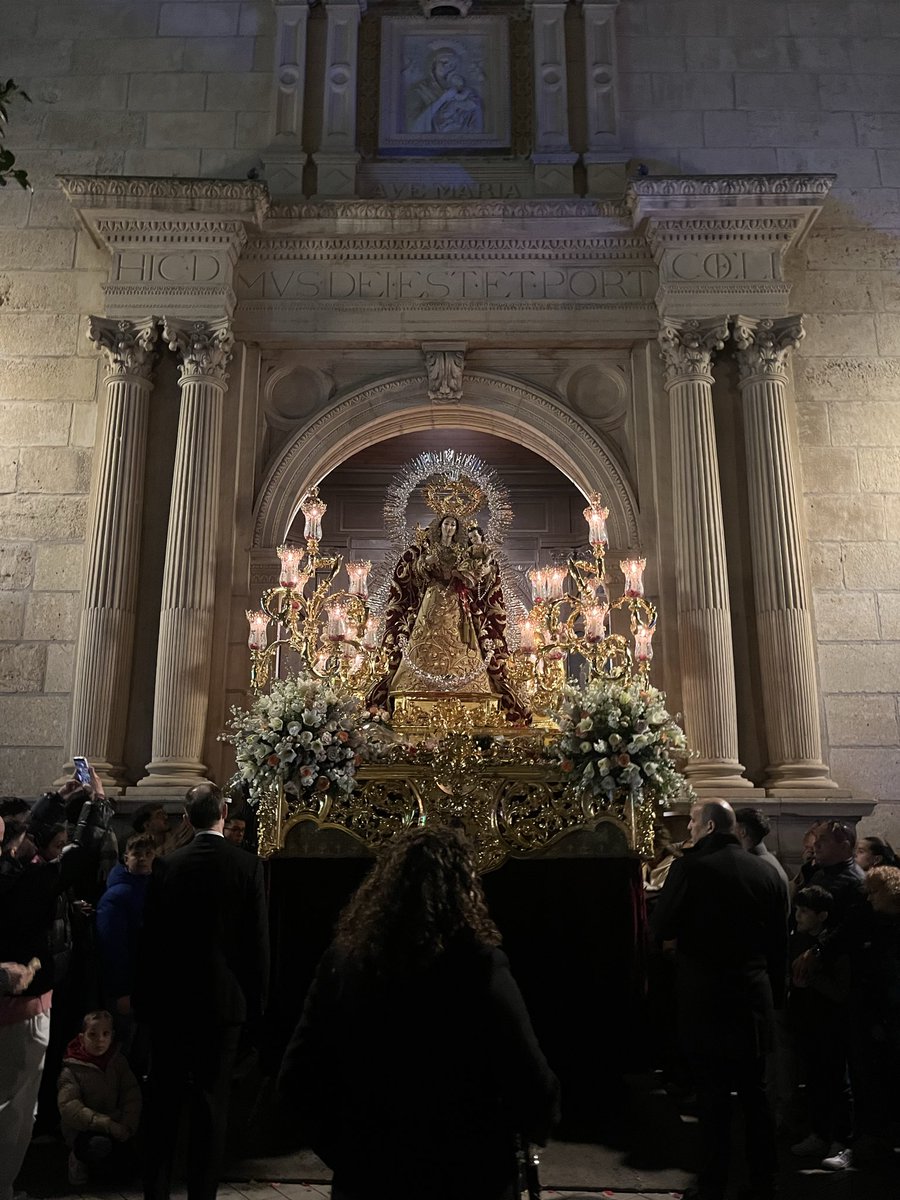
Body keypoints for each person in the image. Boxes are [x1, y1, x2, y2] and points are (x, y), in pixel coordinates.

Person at [278, 825, 559, 1200]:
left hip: (371, 1177)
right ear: (465, 890)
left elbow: (297, 1081)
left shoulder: (345, 963)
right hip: (467, 1177)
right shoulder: (480, 967)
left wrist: (347, 1153)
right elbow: (533, 1083)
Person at [134, 783, 269, 1200]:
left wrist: (145, 1003)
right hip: (223, 1004)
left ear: (187, 818)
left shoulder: (169, 865)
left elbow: (151, 942)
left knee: (165, 1104)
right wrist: (256, 1008)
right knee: (212, 1107)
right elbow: (257, 946)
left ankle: (155, 1191)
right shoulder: (248, 866)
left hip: (172, 1004)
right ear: (223, 814)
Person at [651, 799, 788, 1200]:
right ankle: (765, 1180)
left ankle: (712, 1183)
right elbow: (779, 943)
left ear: (710, 827)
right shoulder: (765, 871)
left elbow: (663, 926)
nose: (689, 829)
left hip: (706, 996)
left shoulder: (690, 869)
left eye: (693, 822)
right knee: (754, 1093)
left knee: (712, 1096)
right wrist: (774, 998)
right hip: (753, 996)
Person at [0, 775, 113, 1200]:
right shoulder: (23, 881)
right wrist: (98, 804)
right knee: (14, 1109)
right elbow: (79, 857)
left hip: (20, 1005)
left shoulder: (13, 869)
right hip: (21, 1011)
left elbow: (26, 841)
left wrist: (54, 800)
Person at [367, 512, 529, 722]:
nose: (450, 528)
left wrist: (477, 569)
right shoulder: (427, 549)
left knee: (464, 640)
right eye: (446, 524)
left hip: (457, 601)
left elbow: (478, 575)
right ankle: (412, 688)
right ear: (439, 527)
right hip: (431, 599)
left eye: (453, 525)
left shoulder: (463, 551)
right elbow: (415, 574)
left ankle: (471, 689)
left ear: (458, 529)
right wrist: (426, 563)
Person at [787, 886, 851, 1162]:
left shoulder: (833, 949)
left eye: (804, 912)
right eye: (797, 910)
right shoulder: (798, 941)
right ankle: (819, 1134)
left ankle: (841, 1141)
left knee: (834, 1081)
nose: (798, 916)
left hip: (831, 1024)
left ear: (822, 915)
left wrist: (811, 980)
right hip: (808, 1021)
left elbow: (840, 991)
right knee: (814, 1080)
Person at [57, 1009, 141, 1186]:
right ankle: (78, 1159)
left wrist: (128, 1124)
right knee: (98, 1148)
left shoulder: (118, 1063)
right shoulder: (72, 1069)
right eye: (93, 1034)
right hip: (86, 1129)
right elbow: (69, 1106)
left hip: (116, 1125)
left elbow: (131, 1094)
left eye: (105, 1034)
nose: (100, 1040)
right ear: (82, 1038)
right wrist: (106, 1124)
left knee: (129, 1167)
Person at [95, 833, 155, 1054]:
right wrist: (121, 991)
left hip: (144, 982)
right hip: (127, 988)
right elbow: (113, 947)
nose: (142, 859)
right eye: (136, 854)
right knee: (123, 1047)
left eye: (148, 854)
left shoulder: (150, 887)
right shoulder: (116, 897)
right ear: (125, 857)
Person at [405, 46, 484, 135]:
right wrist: (443, 98)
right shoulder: (420, 90)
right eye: (444, 62)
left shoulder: (467, 92)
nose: (447, 67)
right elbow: (413, 126)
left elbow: (477, 125)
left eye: (452, 65)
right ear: (433, 64)